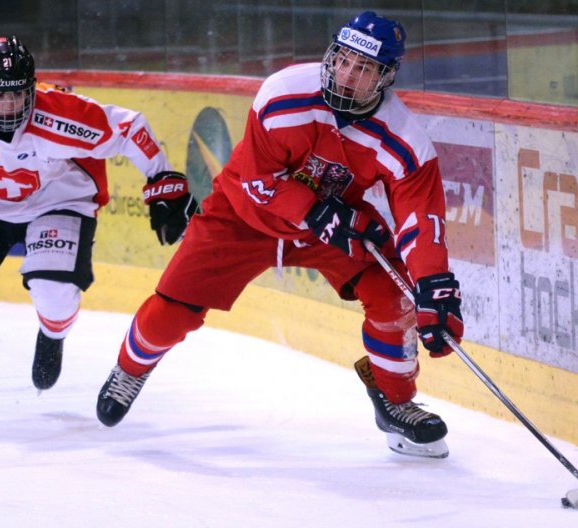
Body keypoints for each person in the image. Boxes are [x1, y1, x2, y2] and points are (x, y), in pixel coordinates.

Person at [95, 11, 464, 459]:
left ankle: (395, 402)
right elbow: (258, 181)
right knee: (171, 314)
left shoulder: (403, 139)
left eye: (364, 68)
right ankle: (130, 369)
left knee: (396, 297)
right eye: (343, 60)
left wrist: (432, 284)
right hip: (242, 215)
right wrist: (314, 212)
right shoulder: (284, 93)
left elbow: (420, 220)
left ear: (385, 77)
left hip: (331, 224)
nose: (347, 75)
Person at [0, 36, 197, 397]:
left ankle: (52, 334)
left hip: (59, 200)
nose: (10, 105)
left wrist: (164, 178)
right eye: (0, 96)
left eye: (18, 94)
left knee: (55, 294)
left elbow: (129, 128)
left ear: (32, 89)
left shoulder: (61, 114)